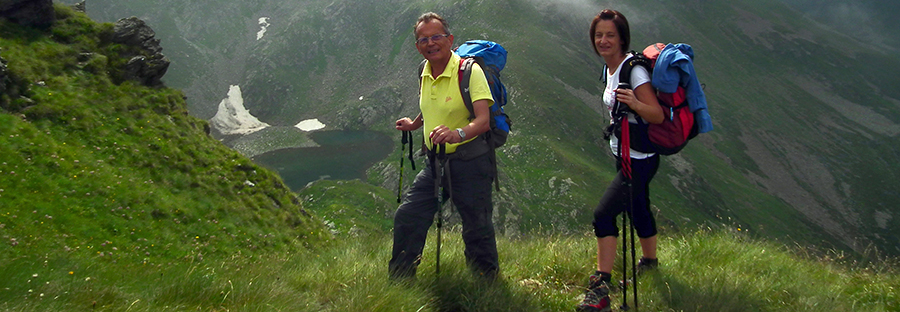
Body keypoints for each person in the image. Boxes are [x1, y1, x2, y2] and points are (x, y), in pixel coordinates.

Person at [389, 12, 499, 280]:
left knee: (477, 226)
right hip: (436, 163)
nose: (430, 43)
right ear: (417, 46)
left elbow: (483, 121)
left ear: (449, 39)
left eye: (436, 36)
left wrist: (456, 134)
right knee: (408, 215)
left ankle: (486, 282)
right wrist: (414, 124)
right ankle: (400, 280)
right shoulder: (423, 71)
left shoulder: (470, 72)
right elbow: (432, 107)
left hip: (471, 162)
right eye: (423, 39)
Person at [576, 9, 665, 312]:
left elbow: (656, 114)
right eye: (599, 35)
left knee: (603, 215)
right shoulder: (611, 69)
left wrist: (635, 103)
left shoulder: (633, 71)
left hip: (639, 158)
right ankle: (650, 264)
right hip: (625, 153)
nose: (603, 40)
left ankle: (601, 286)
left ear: (622, 38)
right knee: (638, 207)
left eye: (610, 35)